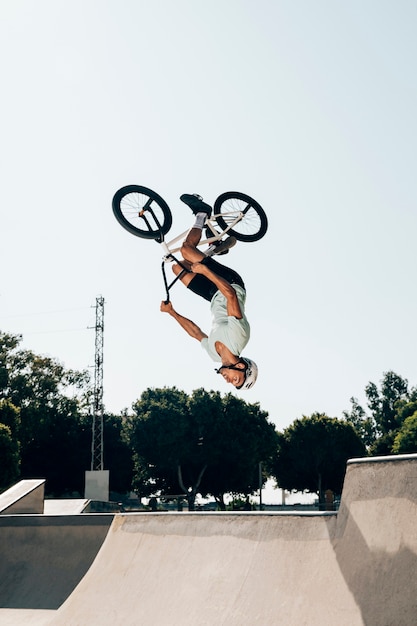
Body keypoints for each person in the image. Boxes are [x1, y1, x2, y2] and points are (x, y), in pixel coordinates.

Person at [160, 193, 258, 390]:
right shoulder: (239, 337)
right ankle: (202, 213)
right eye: (236, 380)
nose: (229, 381)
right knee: (186, 250)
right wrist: (205, 270)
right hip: (228, 284)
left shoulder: (215, 355)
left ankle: (212, 250)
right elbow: (230, 294)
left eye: (233, 384)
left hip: (212, 295)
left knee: (178, 268)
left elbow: (195, 333)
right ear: (241, 366)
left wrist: (172, 313)